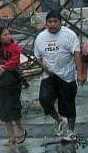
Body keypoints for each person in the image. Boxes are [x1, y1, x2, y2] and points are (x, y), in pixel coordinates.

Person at [33, 10, 85, 141]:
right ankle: (59, 120)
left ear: (60, 22)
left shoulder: (69, 35)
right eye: (49, 22)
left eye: (55, 21)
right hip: (48, 76)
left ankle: (71, 131)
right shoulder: (41, 37)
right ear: (46, 23)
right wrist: (45, 68)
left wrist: (80, 74)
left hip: (66, 76)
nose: (52, 24)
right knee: (44, 100)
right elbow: (38, 57)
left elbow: (77, 54)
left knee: (68, 104)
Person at [0, 27, 26, 145]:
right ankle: (11, 136)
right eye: (5, 35)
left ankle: (21, 130)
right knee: (3, 110)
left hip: (12, 83)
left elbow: (15, 61)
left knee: (13, 107)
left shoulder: (14, 48)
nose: (8, 36)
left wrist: (4, 68)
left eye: (9, 33)